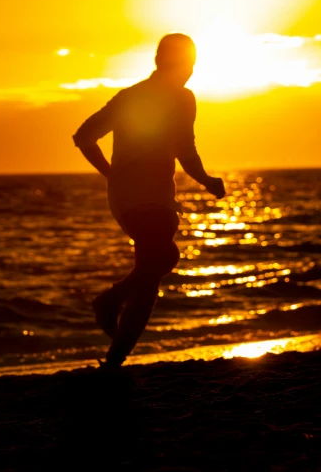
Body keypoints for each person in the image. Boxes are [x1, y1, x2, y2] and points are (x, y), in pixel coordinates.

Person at [73, 33, 225, 367]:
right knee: (158, 264)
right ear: (172, 63)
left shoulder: (133, 96)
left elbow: (84, 138)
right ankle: (113, 339)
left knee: (159, 262)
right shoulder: (178, 98)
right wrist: (208, 181)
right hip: (136, 196)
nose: (191, 72)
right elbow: (186, 152)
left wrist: (111, 175)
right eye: (189, 64)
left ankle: (111, 310)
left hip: (151, 195)